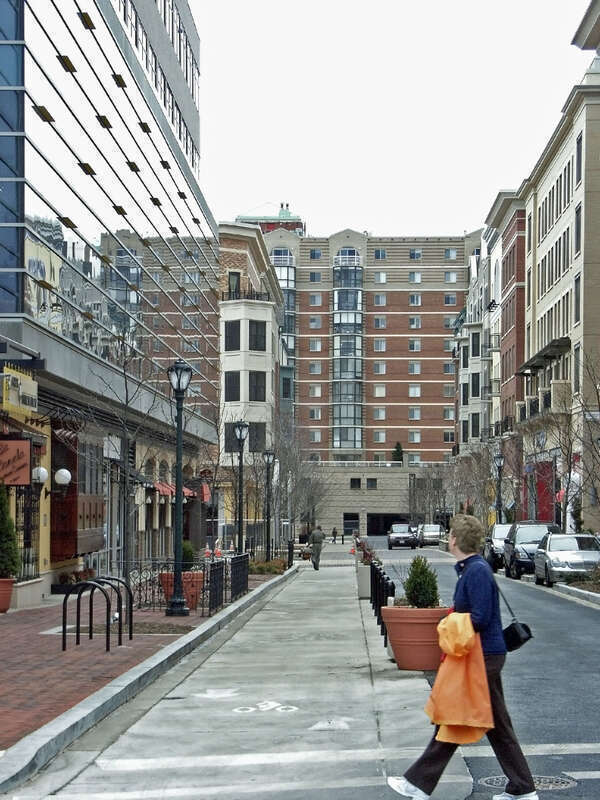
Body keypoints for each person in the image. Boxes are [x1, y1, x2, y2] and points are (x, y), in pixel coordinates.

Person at [387, 514, 538, 800]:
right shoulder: (471, 568)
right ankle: (523, 788)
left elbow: (479, 618)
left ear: (455, 540)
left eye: (451, 535)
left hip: (483, 656)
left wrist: (449, 622)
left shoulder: (476, 571)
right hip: (483, 655)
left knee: (453, 717)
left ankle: (418, 784)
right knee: (496, 725)